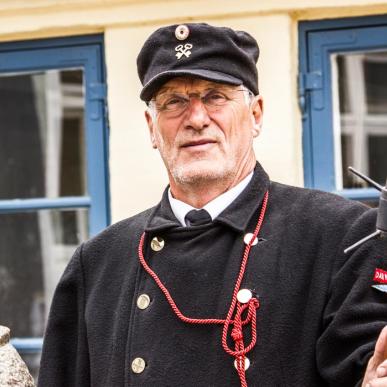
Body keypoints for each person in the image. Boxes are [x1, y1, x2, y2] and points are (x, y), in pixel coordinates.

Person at [38, 23, 387, 387]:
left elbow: (369, 361)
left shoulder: (342, 235)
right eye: (174, 102)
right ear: (151, 128)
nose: (197, 118)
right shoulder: (96, 263)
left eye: (216, 96)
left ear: (255, 115)